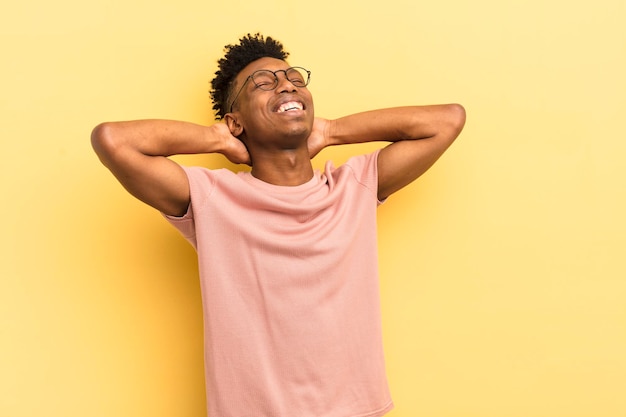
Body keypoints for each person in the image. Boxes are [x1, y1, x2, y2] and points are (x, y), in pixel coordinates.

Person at [91, 33, 465, 417]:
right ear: (236, 120)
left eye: (294, 80)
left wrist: (334, 130)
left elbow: (447, 120)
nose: (286, 84)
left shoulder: (352, 187)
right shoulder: (211, 199)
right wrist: (217, 138)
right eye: (263, 83)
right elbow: (113, 141)